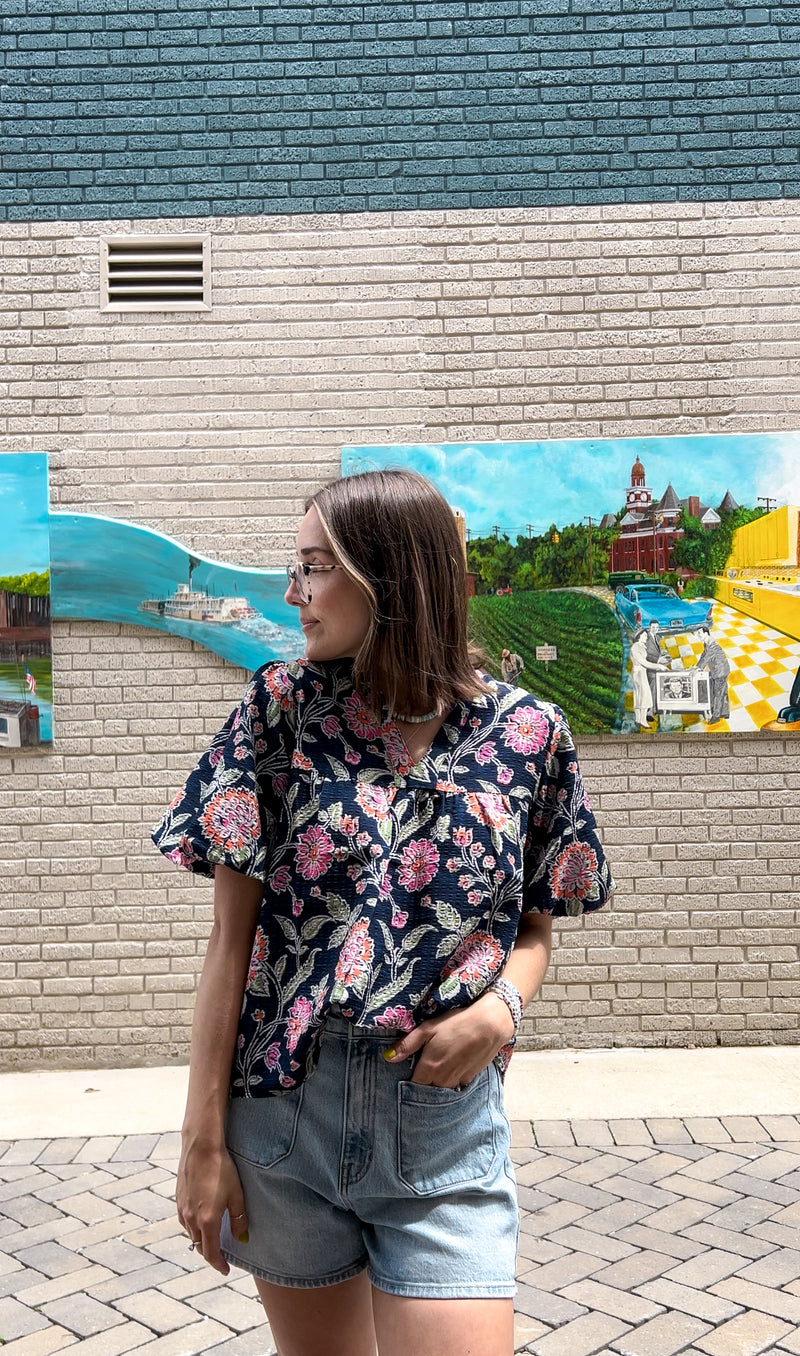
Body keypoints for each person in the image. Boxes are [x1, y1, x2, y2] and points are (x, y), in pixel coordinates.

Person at [152, 469, 613, 1356]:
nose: (293, 593)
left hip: (439, 1125)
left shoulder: (529, 734)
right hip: (286, 1115)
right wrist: (201, 1145)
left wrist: (501, 1008)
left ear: (388, 576)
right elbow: (230, 943)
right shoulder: (278, 712)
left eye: (315, 567)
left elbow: (537, 925)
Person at [629, 626, 668, 729]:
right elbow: (644, 662)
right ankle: (642, 721)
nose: (646, 638)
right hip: (639, 673)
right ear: (639, 636)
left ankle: (638, 720)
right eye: (645, 636)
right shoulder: (636, 647)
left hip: (639, 673)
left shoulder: (641, 646)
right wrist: (658, 666)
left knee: (639, 696)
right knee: (644, 696)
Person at [696, 624, 730, 724]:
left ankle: (716, 716)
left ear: (706, 633)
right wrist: (697, 666)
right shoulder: (708, 642)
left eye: (700, 633)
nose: (698, 636)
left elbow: (706, 658)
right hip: (723, 670)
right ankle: (725, 712)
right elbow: (704, 655)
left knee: (718, 694)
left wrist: (699, 668)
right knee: (723, 692)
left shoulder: (711, 645)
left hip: (720, 672)